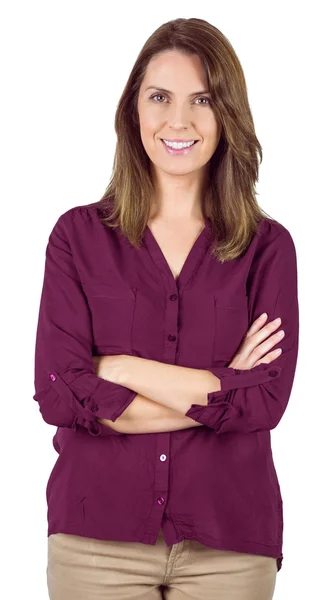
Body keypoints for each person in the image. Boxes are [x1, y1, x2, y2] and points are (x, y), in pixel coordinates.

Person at [33, 17, 299, 600]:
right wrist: (225, 387)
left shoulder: (267, 248)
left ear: (227, 114)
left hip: (230, 546)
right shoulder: (77, 237)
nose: (178, 121)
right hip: (94, 542)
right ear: (134, 109)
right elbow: (59, 394)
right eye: (160, 97)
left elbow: (266, 401)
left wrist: (120, 370)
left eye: (202, 100)